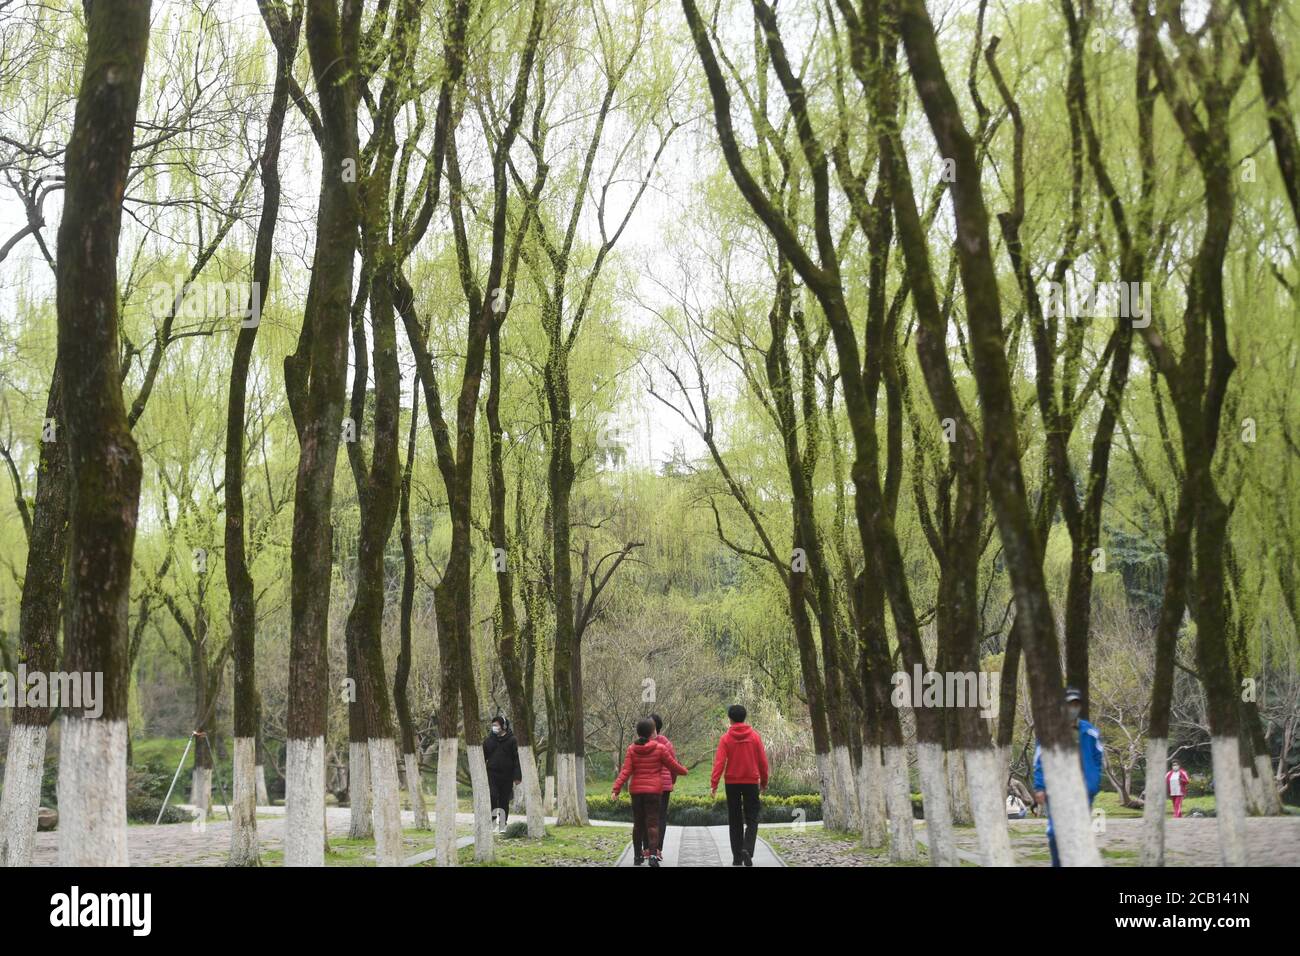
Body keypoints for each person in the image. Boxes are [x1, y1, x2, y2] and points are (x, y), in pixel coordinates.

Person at [1032, 687, 1104, 867]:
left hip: (1083, 789)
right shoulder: (1049, 731)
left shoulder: (1089, 732)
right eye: (1069, 703)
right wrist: (1040, 787)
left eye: (1076, 704)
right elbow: (1040, 760)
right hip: (1057, 789)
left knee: (1080, 831)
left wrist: (1093, 783)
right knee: (1055, 832)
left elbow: (1097, 758)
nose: (1073, 707)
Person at [612, 718, 689, 866]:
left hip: (636, 792)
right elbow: (673, 765)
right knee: (653, 824)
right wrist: (684, 771)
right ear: (652, 732)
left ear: (638, 732)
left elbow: (625, 771)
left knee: (638, 824)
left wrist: (616, 789)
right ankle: (653, 856)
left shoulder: (631, 749)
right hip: (654, 792)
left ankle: (637, 857)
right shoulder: (660, 748)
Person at [710, 704, 770, 867]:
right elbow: (763, 762)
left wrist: (714, 784)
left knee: (735, 820)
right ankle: (747, 849)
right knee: (752, 818)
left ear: (730, 719)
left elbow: (719, 763)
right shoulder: (755, 737)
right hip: (751, 782)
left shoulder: (725, 738)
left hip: (732, 783)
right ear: (744, 717)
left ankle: (737, 858)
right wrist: (764, 781)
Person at [649, 713, 680, 855]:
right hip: (664, 786)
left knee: (649, 817)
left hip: (651, 786)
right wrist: (672, 781)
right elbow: (674, 765)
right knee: (660, 817)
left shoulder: (642, 743)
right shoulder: (667, 743)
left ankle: (649, 849)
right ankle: (657, 849)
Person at [483, 715, 522, 828]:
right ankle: (493, 821)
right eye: (493, 725)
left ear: (503, 726)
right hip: (492, 774)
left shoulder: (512, 740)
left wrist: (517, 776)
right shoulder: (488, 740)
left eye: (496, 725)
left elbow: (516, 759)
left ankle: (502, 824)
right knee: (493, 796)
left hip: (507, 776)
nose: (494, 727)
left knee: (504, 800)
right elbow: (483, 757)